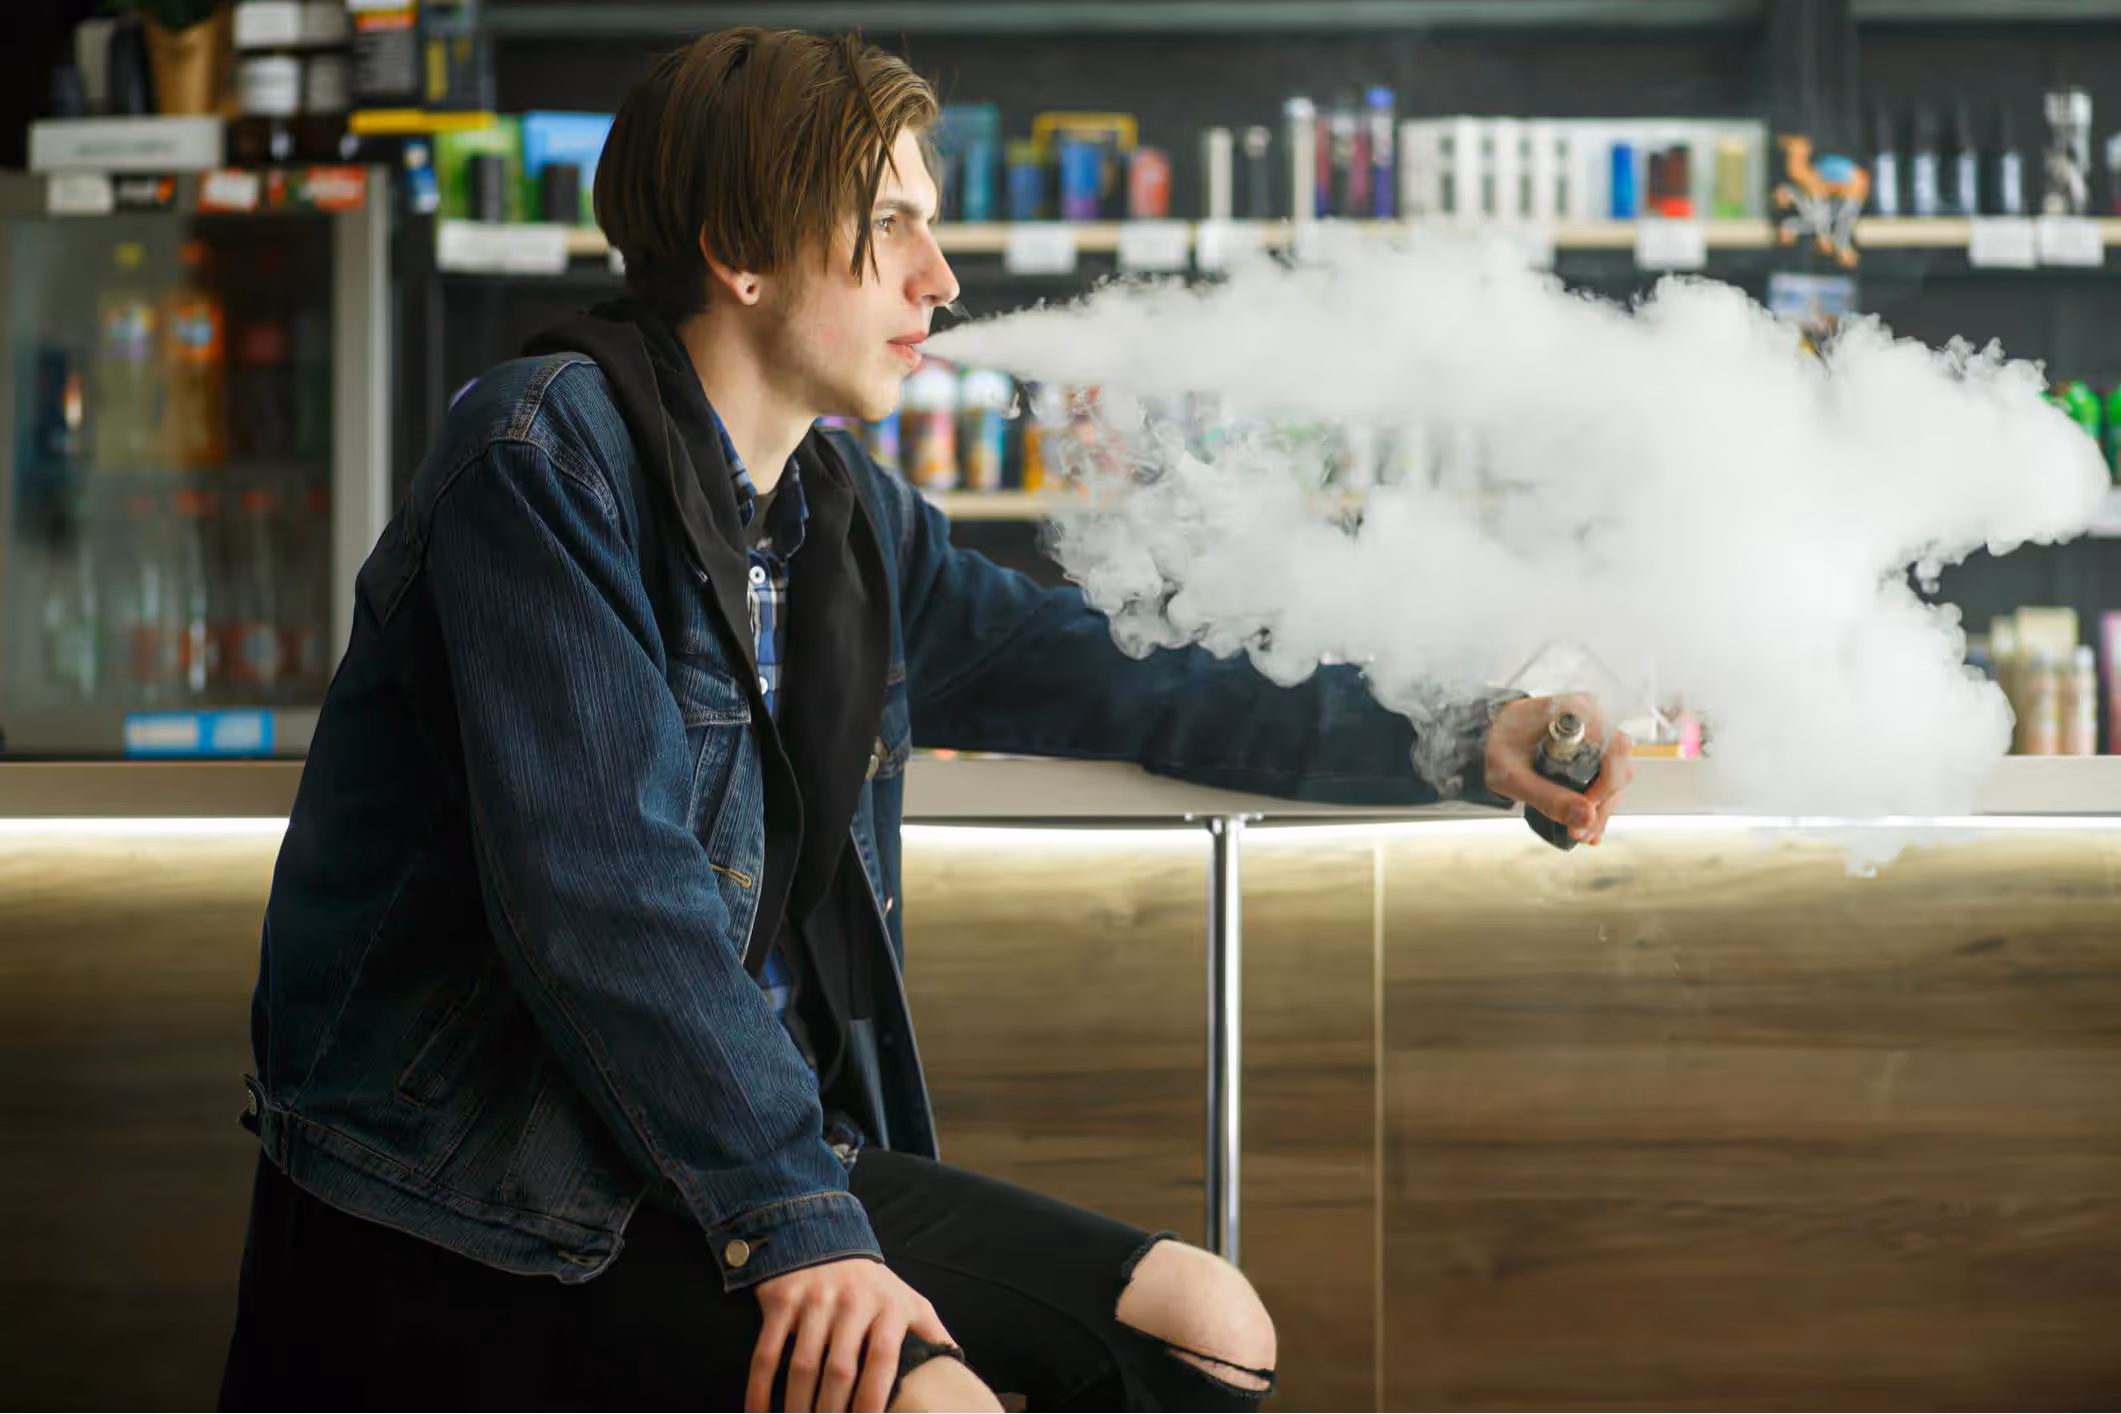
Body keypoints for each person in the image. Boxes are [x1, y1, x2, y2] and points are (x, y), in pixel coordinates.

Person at [217, 26, 1634, 1414]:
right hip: (485, 1195)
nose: (941, 278)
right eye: (890, 225)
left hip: (727, 1159)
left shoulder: (844, 525)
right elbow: (603, 896)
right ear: (741, 250)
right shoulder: (541, 455)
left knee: (1210, 1328)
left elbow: (1122, 674)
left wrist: (1461, 734)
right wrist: (797, 1218)